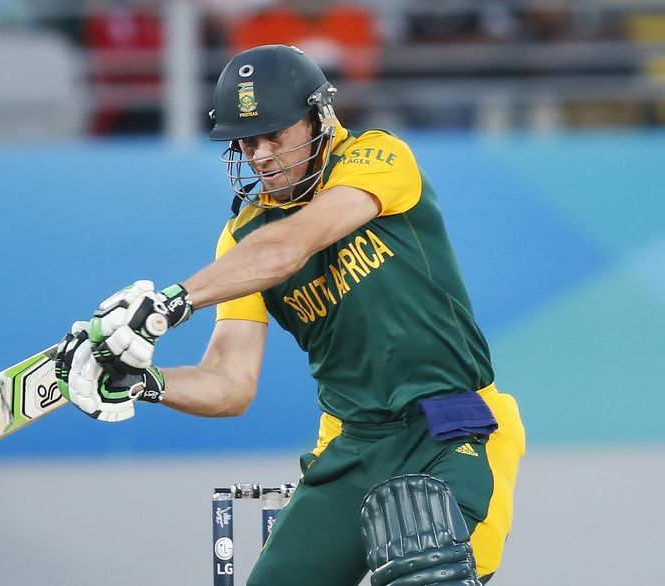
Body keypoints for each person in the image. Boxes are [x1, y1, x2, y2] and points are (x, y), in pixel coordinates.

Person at [54, 44, 525, 586]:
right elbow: (229, 384)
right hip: (352, 445)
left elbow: (292, 246)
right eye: (247, 142)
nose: (260, 155)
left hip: (450, 427)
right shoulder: (242, 239)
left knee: (431, 577)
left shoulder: (378, 157)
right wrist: (145, 382)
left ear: (319, 116)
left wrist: (168, 303)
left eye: (275, 135)